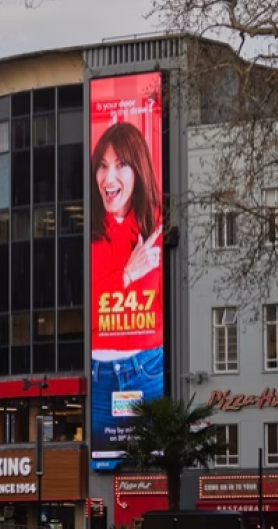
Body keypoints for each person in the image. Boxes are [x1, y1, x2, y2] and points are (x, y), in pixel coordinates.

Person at [89, 122, 165, 449]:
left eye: (121, 165)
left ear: (139, 169)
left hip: (148, 369)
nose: (109, 178)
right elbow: (88, 311)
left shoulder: (158, 225)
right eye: (103, 166)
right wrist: (126, 275)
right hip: (98, 376)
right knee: (105, 465)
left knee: (154, 466)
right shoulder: (88, 233)